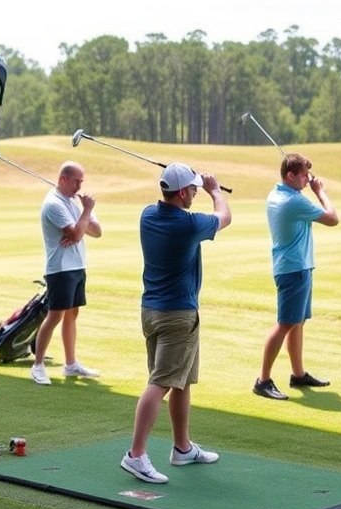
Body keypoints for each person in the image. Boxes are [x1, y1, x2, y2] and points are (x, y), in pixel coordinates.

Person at [120, 163, 231, 484]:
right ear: (181, 192)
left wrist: (196, 184)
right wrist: (215, 191)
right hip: (177, 315)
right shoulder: (187, 224)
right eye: (193, 190)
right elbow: (225, 217)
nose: (196, 193)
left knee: (180, 380)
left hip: (151, 310)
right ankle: (136, 455)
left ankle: (182, 448)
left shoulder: (147, 215)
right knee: (161, 383)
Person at [253, 153, 340, 401]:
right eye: (303, 176)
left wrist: (305, 179)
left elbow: (299, 190)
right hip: (294, 269)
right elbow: (332, 218)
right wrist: (320, 191)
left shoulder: (277, 194)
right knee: (285, 323)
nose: (307, 180)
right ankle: (263, 380)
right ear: (290, 176)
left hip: (295, 266)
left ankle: (298, 374)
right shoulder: (294, 202)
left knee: (297, 322)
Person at [30, 161, 103, 385]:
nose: (80, 187)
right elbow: (76, 233)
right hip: (60, 268)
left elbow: (96, 232)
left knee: (72, 315)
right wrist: (86, 212)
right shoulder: (54, 203)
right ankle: (38, 365)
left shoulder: (74, 202)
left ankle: (70, 364)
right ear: (63, 179)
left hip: (77, 266)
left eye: (82, 182)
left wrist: (81, 221)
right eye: (76, 181)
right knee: (54, 316)